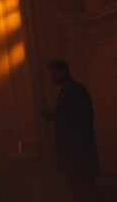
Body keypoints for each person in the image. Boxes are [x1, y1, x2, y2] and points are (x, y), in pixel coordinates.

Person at [41, 60, 100, 202]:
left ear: (63, 71)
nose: (51, 77)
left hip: (79, 153)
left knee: (83, 192)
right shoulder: (66, 91)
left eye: (53, 73)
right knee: (76, 191)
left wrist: (54, 116)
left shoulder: (76, 90)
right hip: (72, 154)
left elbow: (84, 116)